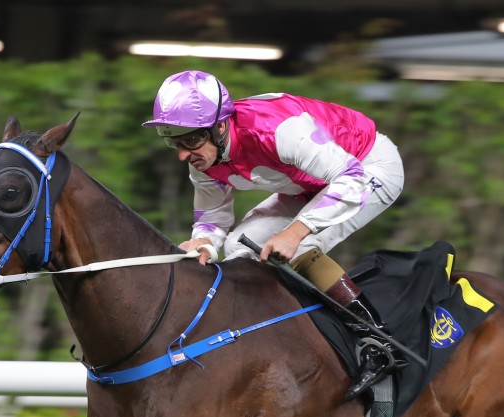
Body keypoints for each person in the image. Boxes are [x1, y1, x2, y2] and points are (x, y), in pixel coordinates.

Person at [143, 70, 406, 400]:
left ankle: (379, 345)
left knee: (296, 248)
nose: (183, 154)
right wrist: (204, 242)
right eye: (174, 141)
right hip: (307, 183)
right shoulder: (202, 155)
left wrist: (295, 232)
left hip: (367, 167)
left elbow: (350, 180)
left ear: (220, 126)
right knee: (240, 253)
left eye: (191, 140)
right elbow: (212, 216)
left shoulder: (280, 131)